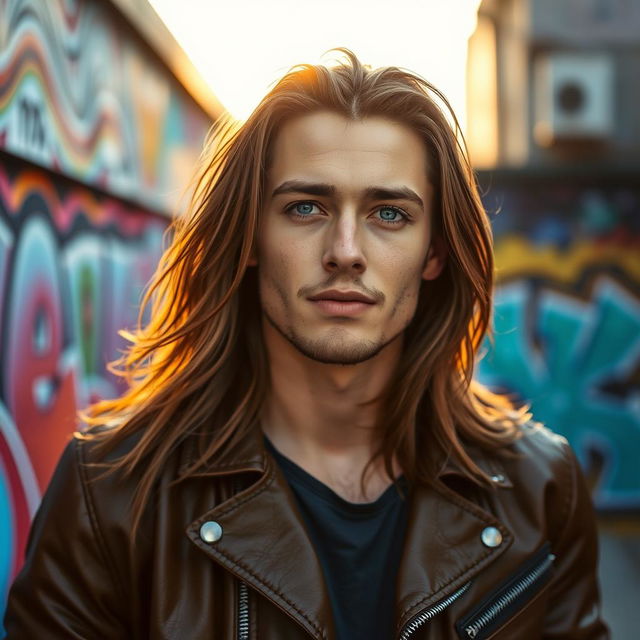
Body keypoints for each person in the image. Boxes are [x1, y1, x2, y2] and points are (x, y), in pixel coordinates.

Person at [4, 49, 608, 639]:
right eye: (305, 207)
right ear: (249, 238)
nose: (345, 250)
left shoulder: (538, 487)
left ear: (435, 252)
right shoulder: (112, 491)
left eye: (389, 214)